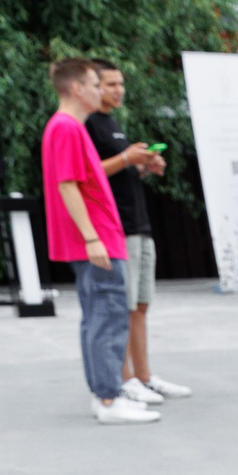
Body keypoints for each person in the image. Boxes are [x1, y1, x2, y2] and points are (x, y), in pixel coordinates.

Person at [41, 59, 155, 425]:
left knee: (101, 316)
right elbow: (67, 184)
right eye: (94, 84)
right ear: (77, 88)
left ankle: (107, 394)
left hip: (102, 236)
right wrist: (92, 237)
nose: (101, 91)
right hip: (96, 239)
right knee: (107, 316)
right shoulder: (66, 128)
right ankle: (108, 398)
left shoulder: (72, 128)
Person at [84, 61, 187, 407]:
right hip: (115, 228)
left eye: (120, 84)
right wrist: (127, 158)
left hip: (138, 223)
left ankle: (144, 376)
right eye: (110, 84)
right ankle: (124, 379)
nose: (118, 90)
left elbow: (116, 172)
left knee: (140, 305)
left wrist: (142, 166)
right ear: (93, 86)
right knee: (121, 306)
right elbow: (86, 173)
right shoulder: (86, 125)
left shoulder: (112, 123)